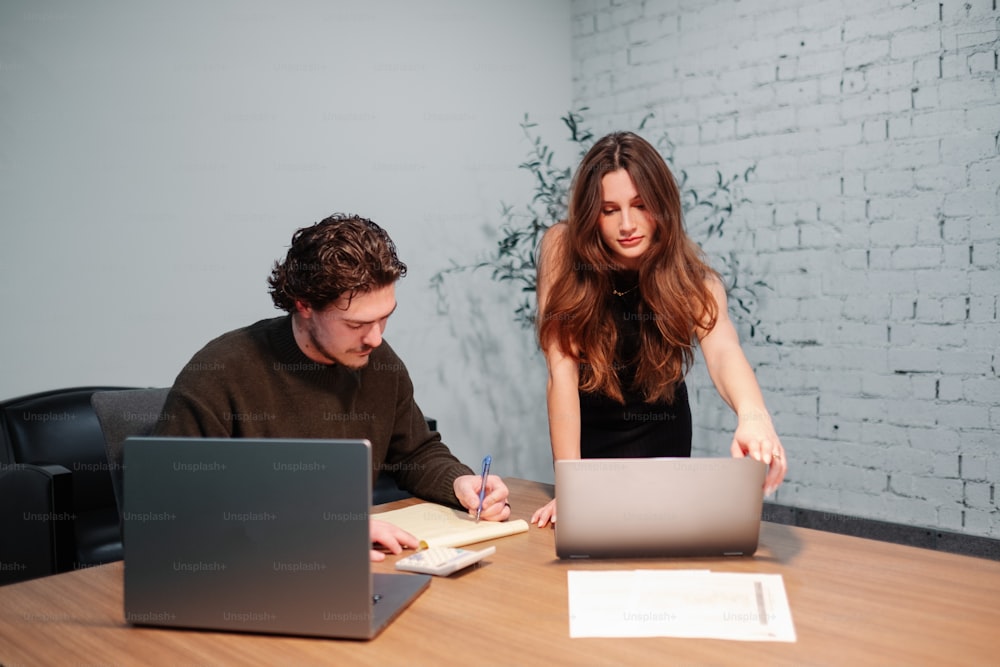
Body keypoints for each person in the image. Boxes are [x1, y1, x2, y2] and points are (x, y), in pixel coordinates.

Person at [154, 213, 511, 559]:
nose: (375, 338)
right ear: (304, 305)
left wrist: (459, 484)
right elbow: (175, 509)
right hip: (248, 573)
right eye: (357, 324)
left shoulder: (380, 364)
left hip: (350, 569)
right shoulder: (221, 372)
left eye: (385, 318)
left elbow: (415, 453)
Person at [530, 131, 787, 528]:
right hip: (589, 446)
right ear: (590, 214)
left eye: (641, 205)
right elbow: (560, 372)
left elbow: (723, 351)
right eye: (609, 209)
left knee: (659, 549)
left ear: (662, 206)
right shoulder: (562, 251)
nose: (627, 224)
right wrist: (571, 484)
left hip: (662, 441)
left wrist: (755, 416)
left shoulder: (693, 279)